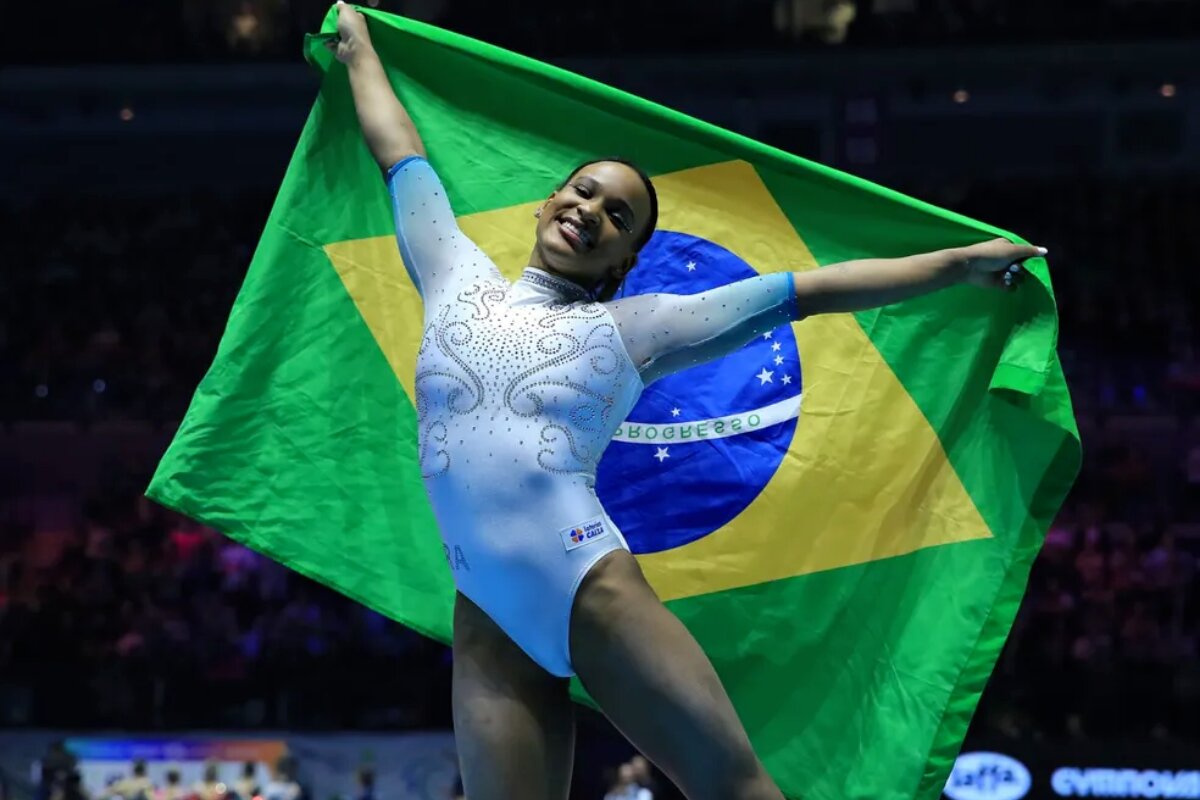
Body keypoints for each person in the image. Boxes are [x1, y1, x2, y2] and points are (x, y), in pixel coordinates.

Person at [328, 4, 1043, 799]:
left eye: (616, 216)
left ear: (623, 260)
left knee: (737, 790)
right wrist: (357, 45)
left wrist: (956, 264)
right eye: (583, 192)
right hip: (486, 617)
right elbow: (401, 154)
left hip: (587, 588)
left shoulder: (638, 328)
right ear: (545, 203)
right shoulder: (452, 273)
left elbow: (809, 291)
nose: (590, 211)